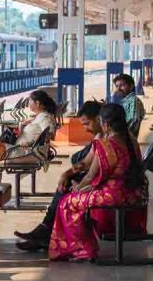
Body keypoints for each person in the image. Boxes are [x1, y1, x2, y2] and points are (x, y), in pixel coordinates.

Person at [48, 104, 147, 262]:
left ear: (105, 124)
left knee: (66, 203)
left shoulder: (105, 145)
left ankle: (84, 248)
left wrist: (78, 189)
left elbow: (89, 177)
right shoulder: (132, 141)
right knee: (77, 198)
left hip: (113, 196)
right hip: (134, 193)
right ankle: (85, 244)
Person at [14, 101, 104, 251]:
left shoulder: (104, 140)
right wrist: (67, 174)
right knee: (66, 182)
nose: (85, 129)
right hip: (99, 179)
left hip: (102, 184)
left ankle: (45, 231)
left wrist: (79, 185)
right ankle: (45, 232)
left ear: (100, 119)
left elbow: (90, 167)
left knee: (65, 187)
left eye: (87, 124)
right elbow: (87, 163)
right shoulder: (103, 136)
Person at [0, 90, 56, 183]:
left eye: (30, 101)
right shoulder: (38, 117)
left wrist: (31, 142)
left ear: (37, 103)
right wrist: (23, 125)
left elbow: (49, 134)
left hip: (30, 152)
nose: (28, 103)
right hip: (26, 151)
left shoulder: (44, 117)